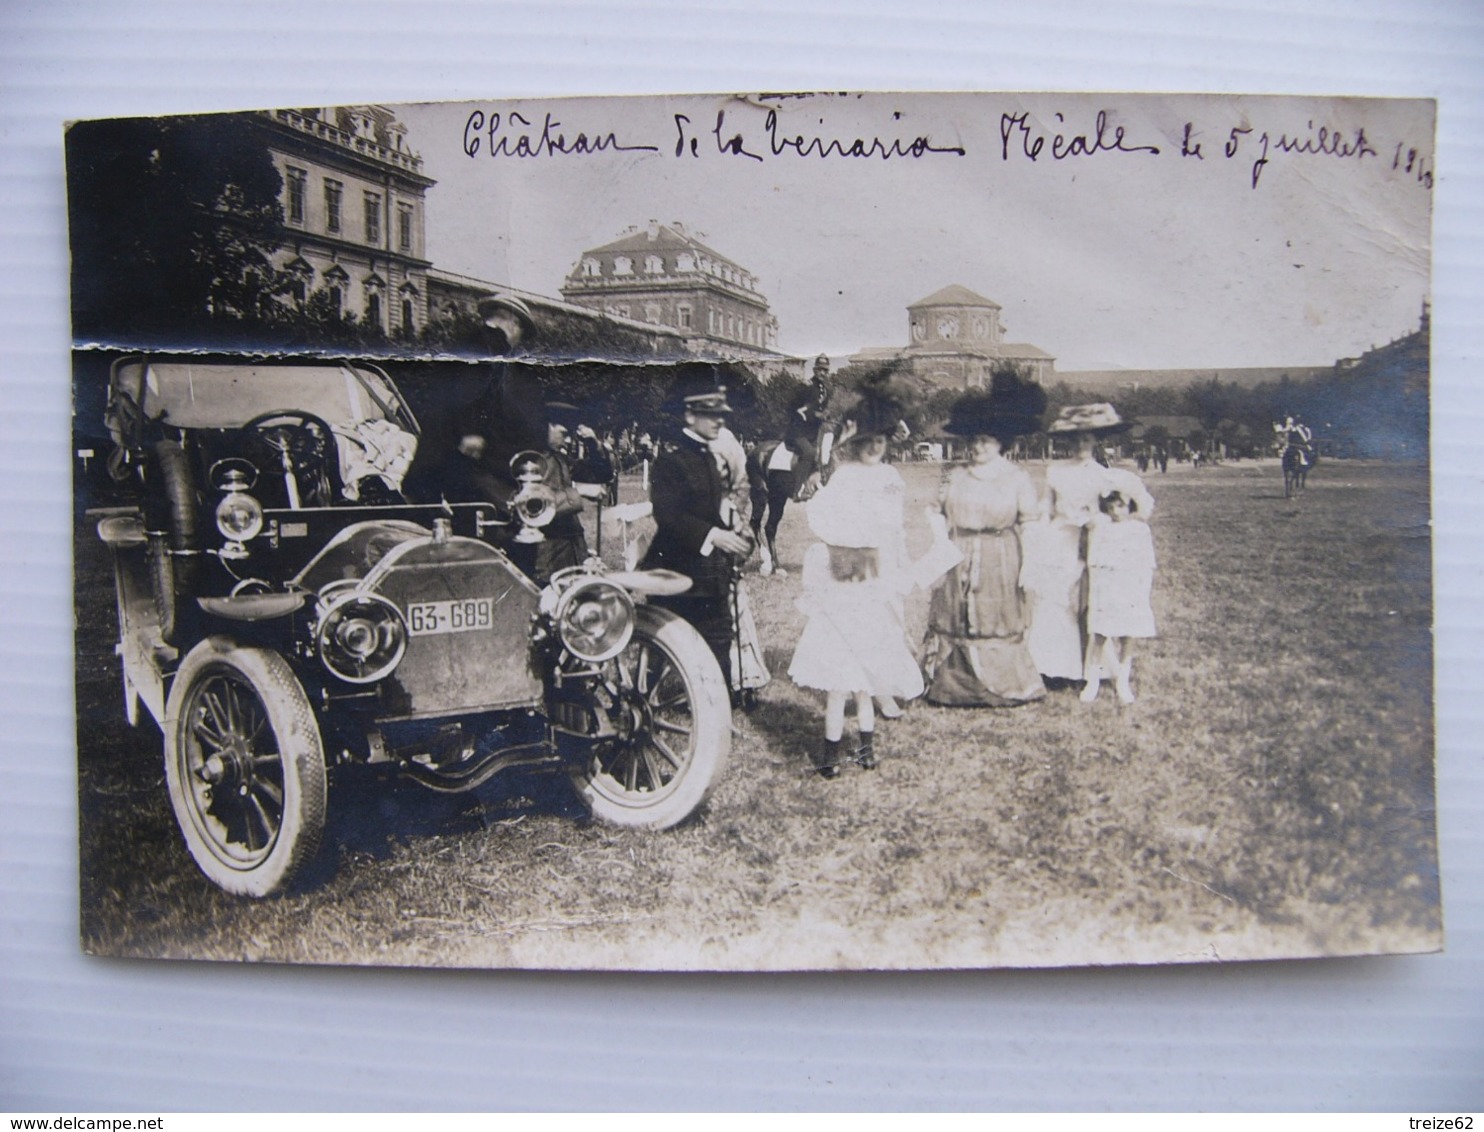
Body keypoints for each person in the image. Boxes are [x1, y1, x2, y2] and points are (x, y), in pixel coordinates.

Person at [788, 389, 924, 776]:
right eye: (869, 442)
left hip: (875, 570)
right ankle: (831, 754)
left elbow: (892, 525)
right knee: (839, 675)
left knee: (867, 667)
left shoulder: (890, 478)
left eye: (881, 442)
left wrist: (894, 562)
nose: (875, 449)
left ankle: (866, 749)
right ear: (860, 443)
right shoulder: (845, 476)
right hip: (846, 570)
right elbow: (825, 513)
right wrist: (837, 451)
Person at [921, 374, 1048, 707]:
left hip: (1000, 555)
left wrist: (1030, 566)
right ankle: (953, 685)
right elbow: (936, 512)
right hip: (958, 552)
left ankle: (1002, 684)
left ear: (1001, 443)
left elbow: (1030, 523)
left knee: (996, 616)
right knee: (956, 614)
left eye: (987, 440)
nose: (979, 447)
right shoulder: (955, 474)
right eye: (975, 440)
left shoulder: (1016, 477)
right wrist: (940, 543)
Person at [1025, 403, 1155, 687]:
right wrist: (1039, 529)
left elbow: (1144, 506)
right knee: (1057, 599)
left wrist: (1119, 523)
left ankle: (1094, 668)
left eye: (1086, 438)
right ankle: (1054, 668)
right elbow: (1045, 505)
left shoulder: (1108, 476)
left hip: (1095, 542)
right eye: (1075, 439)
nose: (1080, 444)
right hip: (1060, 539)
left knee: (1091, 602)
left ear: (1096, 441)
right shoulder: (1055, 471)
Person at [640, 365, 755, 683]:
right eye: (711, 413)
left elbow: (712, 511)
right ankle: (645, 700)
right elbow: (667, 514)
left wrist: (735, 530)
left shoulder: (712, 458)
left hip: (709, 572)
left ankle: (724, 708)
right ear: (690, 416)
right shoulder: (671, 460)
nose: (720, 419)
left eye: (721, 413)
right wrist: (713, 534)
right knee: (663, 640)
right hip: (675, 568)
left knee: (719, 640)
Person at [402, 292, 545, 510]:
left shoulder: (469, 340)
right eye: (521, 333)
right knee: (466, 511)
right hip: (459, 444)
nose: (517, 342)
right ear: (513, 323)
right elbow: (469, 384)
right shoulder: (489, 344)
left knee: (440, 504)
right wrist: (470, 430)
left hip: (444, 445)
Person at [1080, 489, 1157, 704]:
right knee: (1100, 633)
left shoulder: (1139, 530)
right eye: (1110, 507)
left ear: (1130, 505)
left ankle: (1122, 680)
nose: (1115, 512)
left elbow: (1147, 562)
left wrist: (1142, 590)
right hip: (1107, 586)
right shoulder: (1101, 529)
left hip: (1130, 585)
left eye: (1120, 506)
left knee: (1128, 633)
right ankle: (1092, 681)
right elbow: (1093, 562)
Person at [532, 402, 613, 580]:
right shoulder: (532, 461)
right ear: (548, 426)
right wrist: (580, 490)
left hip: (571, 550)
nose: (568, 440)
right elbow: (535, 505)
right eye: (564, 433)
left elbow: (601, 474)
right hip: (547, 553)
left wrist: (593, 444)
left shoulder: (559, 458)